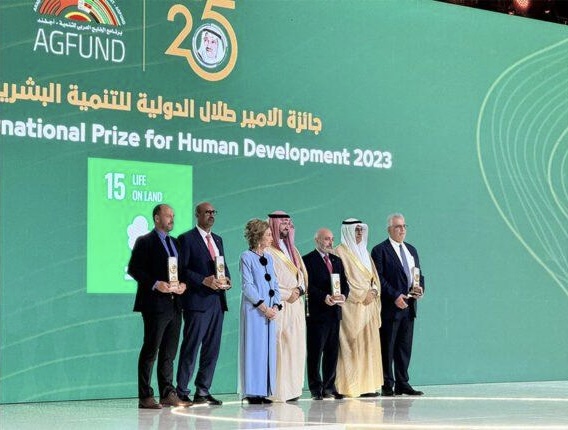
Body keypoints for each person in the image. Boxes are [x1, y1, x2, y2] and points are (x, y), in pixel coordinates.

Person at [128, 204, 191, 409]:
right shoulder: (145, 241)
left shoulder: (175, 243)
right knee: (151, 350)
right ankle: (145, 396)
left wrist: (183, 285)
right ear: (157, 218)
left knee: (169, 352)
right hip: (155, 304)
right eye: (168, 215)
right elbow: (134, 269)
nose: (172, 218)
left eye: (173, 215)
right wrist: (156, 284)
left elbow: (182, 271)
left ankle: (167, 393)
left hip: (175, 305)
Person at [176, 202, 231, 406]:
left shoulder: (217, 239)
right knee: (191, 347)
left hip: (217, 302)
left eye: (213, 212)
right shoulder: (186, 239)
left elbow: (222, 266)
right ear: (197, 215)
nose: (211, 215)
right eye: (207, 212)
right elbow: (181, 270)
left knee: (212, 349)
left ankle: (203, 390)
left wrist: (228, 279)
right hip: (197, 302)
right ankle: (182, 391)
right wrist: (203, 280)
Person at [371, 213, 425, 397]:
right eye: (397, 227)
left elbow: (418, 274)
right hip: (390, 307)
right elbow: (379, 278)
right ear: (389, 230)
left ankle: (403, 383)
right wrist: (395, 296)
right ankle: (387, 384)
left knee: (404, 347)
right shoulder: (380, 250)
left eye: (404, 226)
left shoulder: (411, 250)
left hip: (409, 306)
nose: (402, 230)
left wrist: (420, 288)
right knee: (387, 347)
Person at [333, 219, 383, 398]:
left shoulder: (365, 253)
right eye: (356, 230)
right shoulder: (339, 252)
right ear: (348, 231)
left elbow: (374, 278)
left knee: (368, 346)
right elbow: (341, 282)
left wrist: (374, 291)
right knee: (351, 346)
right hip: (351, 308)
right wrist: (362, 295)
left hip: (368, 307)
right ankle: (350, 387)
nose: (360, 233)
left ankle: (367, 386)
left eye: (361, 230)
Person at [265, 211, 308, 402]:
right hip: (280, 304)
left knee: (295, 347)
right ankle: (277, 392)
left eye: (289, 224)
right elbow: (269, 281)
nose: (287, 227)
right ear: (274, 225)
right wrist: (287, 294)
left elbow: (302, 275)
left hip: (296, 304)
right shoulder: (267, 251)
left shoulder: (293, 250)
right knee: (279, 347)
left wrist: (299, 290)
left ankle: (292, 390)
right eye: (283, 223)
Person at [302, 228, 349, 401]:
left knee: (332, 352)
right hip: (317, 314)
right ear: (317, 240)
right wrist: (324, 297)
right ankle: (316, 388)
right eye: (327, 239)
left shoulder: (337, 260)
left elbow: (345, 284)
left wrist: (343, 296)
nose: (330, 242)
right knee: (315, 352)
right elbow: (308, 285)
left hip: (334, 313)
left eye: (332, 239)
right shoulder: (308, 260)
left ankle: (329, 387)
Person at [239, 218, 282, 404]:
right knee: (254, 349)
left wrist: (276, 305)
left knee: (267, 350)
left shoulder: (269, 258)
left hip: (270, 312)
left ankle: (264, 390)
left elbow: (275, 284)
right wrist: (264, 307)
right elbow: (247, 286)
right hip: (255, 311)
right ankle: (252, 392)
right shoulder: (246, 257)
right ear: (258, 237)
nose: (272, 238)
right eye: (268, 235)